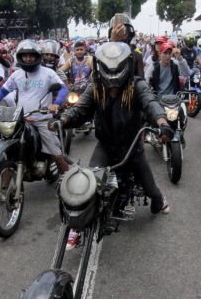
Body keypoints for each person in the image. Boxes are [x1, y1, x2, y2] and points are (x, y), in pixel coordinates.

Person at [53, 42, 173, 249]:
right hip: (106, 145)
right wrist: (62, 121)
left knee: (151, 190)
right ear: (100, 67)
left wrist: (162, 122)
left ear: (126, 66)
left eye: (117, 68)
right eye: (108, 68)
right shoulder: (95, 87)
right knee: (88, 184)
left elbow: (150, 103)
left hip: (132, 146)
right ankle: (77, 228)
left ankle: (159, 198)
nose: (113, 74)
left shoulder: (137, 85)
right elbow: (80, 109)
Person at [0, 40, 70, 174]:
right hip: (20, 119)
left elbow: (63, 89)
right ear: (20, 57)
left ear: (37, 56)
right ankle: (6, 186)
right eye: (25, 56)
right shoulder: (16, 75)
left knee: (55, 153)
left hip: (42, 120)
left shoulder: (48, 73)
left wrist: (55, 104)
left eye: (31, 55)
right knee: (9, 148)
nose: (28, 59)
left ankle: (68, 181)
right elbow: (3, 91)